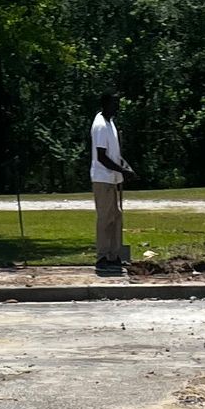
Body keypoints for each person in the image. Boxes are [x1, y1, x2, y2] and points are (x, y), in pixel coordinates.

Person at [90, 94, 132, 275]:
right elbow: (101, 156)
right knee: (105, 218)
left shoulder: (110, 122)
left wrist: (124, 166)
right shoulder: (100, 125)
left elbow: (113, 153)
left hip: (112, 178)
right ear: (105, 104)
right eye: (115, 104)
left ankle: (114, 255)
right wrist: (122, 171)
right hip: (103, 178)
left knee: (116, 216)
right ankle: (102, 257)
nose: (117, 107)